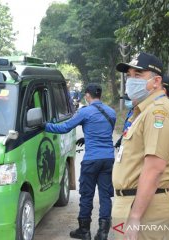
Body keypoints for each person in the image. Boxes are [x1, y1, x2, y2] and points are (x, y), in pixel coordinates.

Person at [112, 52, 169, 239]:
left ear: (156, 82)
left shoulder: (158, 113)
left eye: (138, 75)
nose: (131, 80)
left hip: (147, 208)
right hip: (137, 202)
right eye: (130, 75)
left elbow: (154, 168)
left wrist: (135, 216)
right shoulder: (143, 112)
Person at [44, 83, 116, 240]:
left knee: (87, 194)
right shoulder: (111, 112)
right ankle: (103, 233)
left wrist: (45, 126)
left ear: (87, 95)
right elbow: (104, 133)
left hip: (91, 160)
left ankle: (84, 231)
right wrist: (87, 137)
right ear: (100, 95)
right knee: (105, 195)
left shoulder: (85, 112)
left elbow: (64, 128)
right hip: (108, 158)